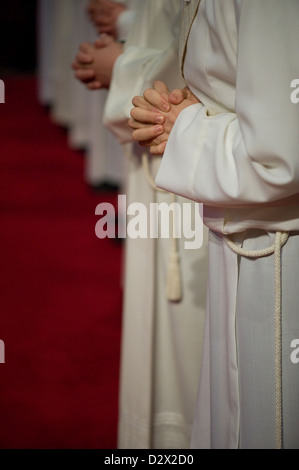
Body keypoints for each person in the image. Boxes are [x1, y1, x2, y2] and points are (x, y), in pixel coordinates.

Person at [129, 0, 299, 449]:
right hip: (253, 235)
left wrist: (183, 127)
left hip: (277, 246)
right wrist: (195, 108)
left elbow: (282, 155)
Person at [72, 0, 208, 449]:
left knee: (189, 344)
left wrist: (120, 66)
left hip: (190, 163)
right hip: (159, 151)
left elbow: (198, 58)